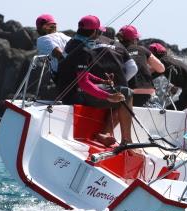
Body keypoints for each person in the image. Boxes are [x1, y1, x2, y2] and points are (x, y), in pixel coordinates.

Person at [55, 15, 133, 146]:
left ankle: (104, 134)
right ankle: (126, 141)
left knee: (118, 92)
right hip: (75, 96)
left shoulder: (72, 44)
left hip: (68, 92)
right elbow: (84, 83)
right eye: (99, 32)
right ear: (94, 32)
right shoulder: (83, 50)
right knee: (127, 93)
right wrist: (108, 96)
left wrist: (102, 80)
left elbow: (82, 74)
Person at [149, 42, 187, 110]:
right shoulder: (171, 60)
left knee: (169, 111)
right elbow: (185, 75)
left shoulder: (163, 62)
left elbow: (148, 76)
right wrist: (176, 86)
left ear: (154, 55)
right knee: (171, 110)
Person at [116, 25, 165, 107]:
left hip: (129, 92)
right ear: (134, 39)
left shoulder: (118, 51)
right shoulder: (142, 50)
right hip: (148, 91)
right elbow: (161, 69)